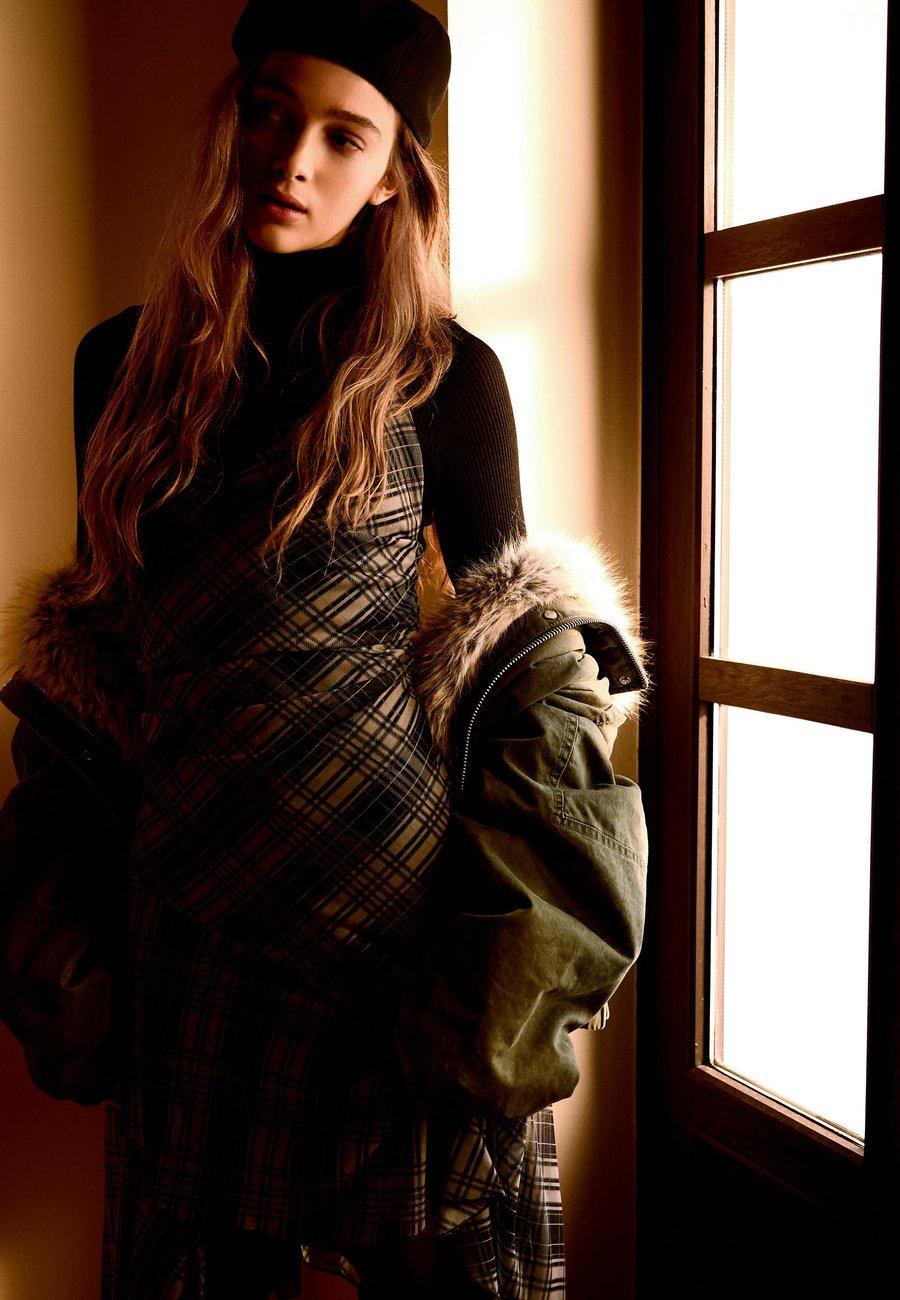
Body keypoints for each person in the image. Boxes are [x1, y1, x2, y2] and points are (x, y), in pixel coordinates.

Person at [0, 1, 651, 1296]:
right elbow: (109, 647)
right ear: (231, 121)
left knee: (424, 1266)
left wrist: (513, 938)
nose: (293, 159)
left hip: (383, 915)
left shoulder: (445, 374)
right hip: (187, 905)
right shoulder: (118, 364)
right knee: (214, 1270)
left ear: (396, 174)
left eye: (344, 136)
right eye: (269, 112)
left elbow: (514, 656)